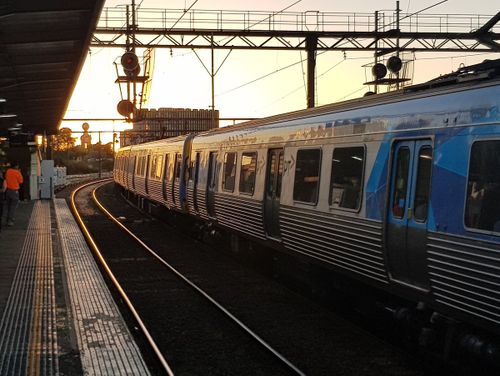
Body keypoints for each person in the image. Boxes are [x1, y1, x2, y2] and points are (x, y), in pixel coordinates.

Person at [5, 162, 23, 226]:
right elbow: (21, 181)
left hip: (8, 191)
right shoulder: (17, 172)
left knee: (8, 207)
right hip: (14, 191)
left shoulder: (8, 171)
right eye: (17, 166)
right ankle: (10, 221)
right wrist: (19, 172)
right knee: (13, 207)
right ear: (16, 166)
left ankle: (7, 220)